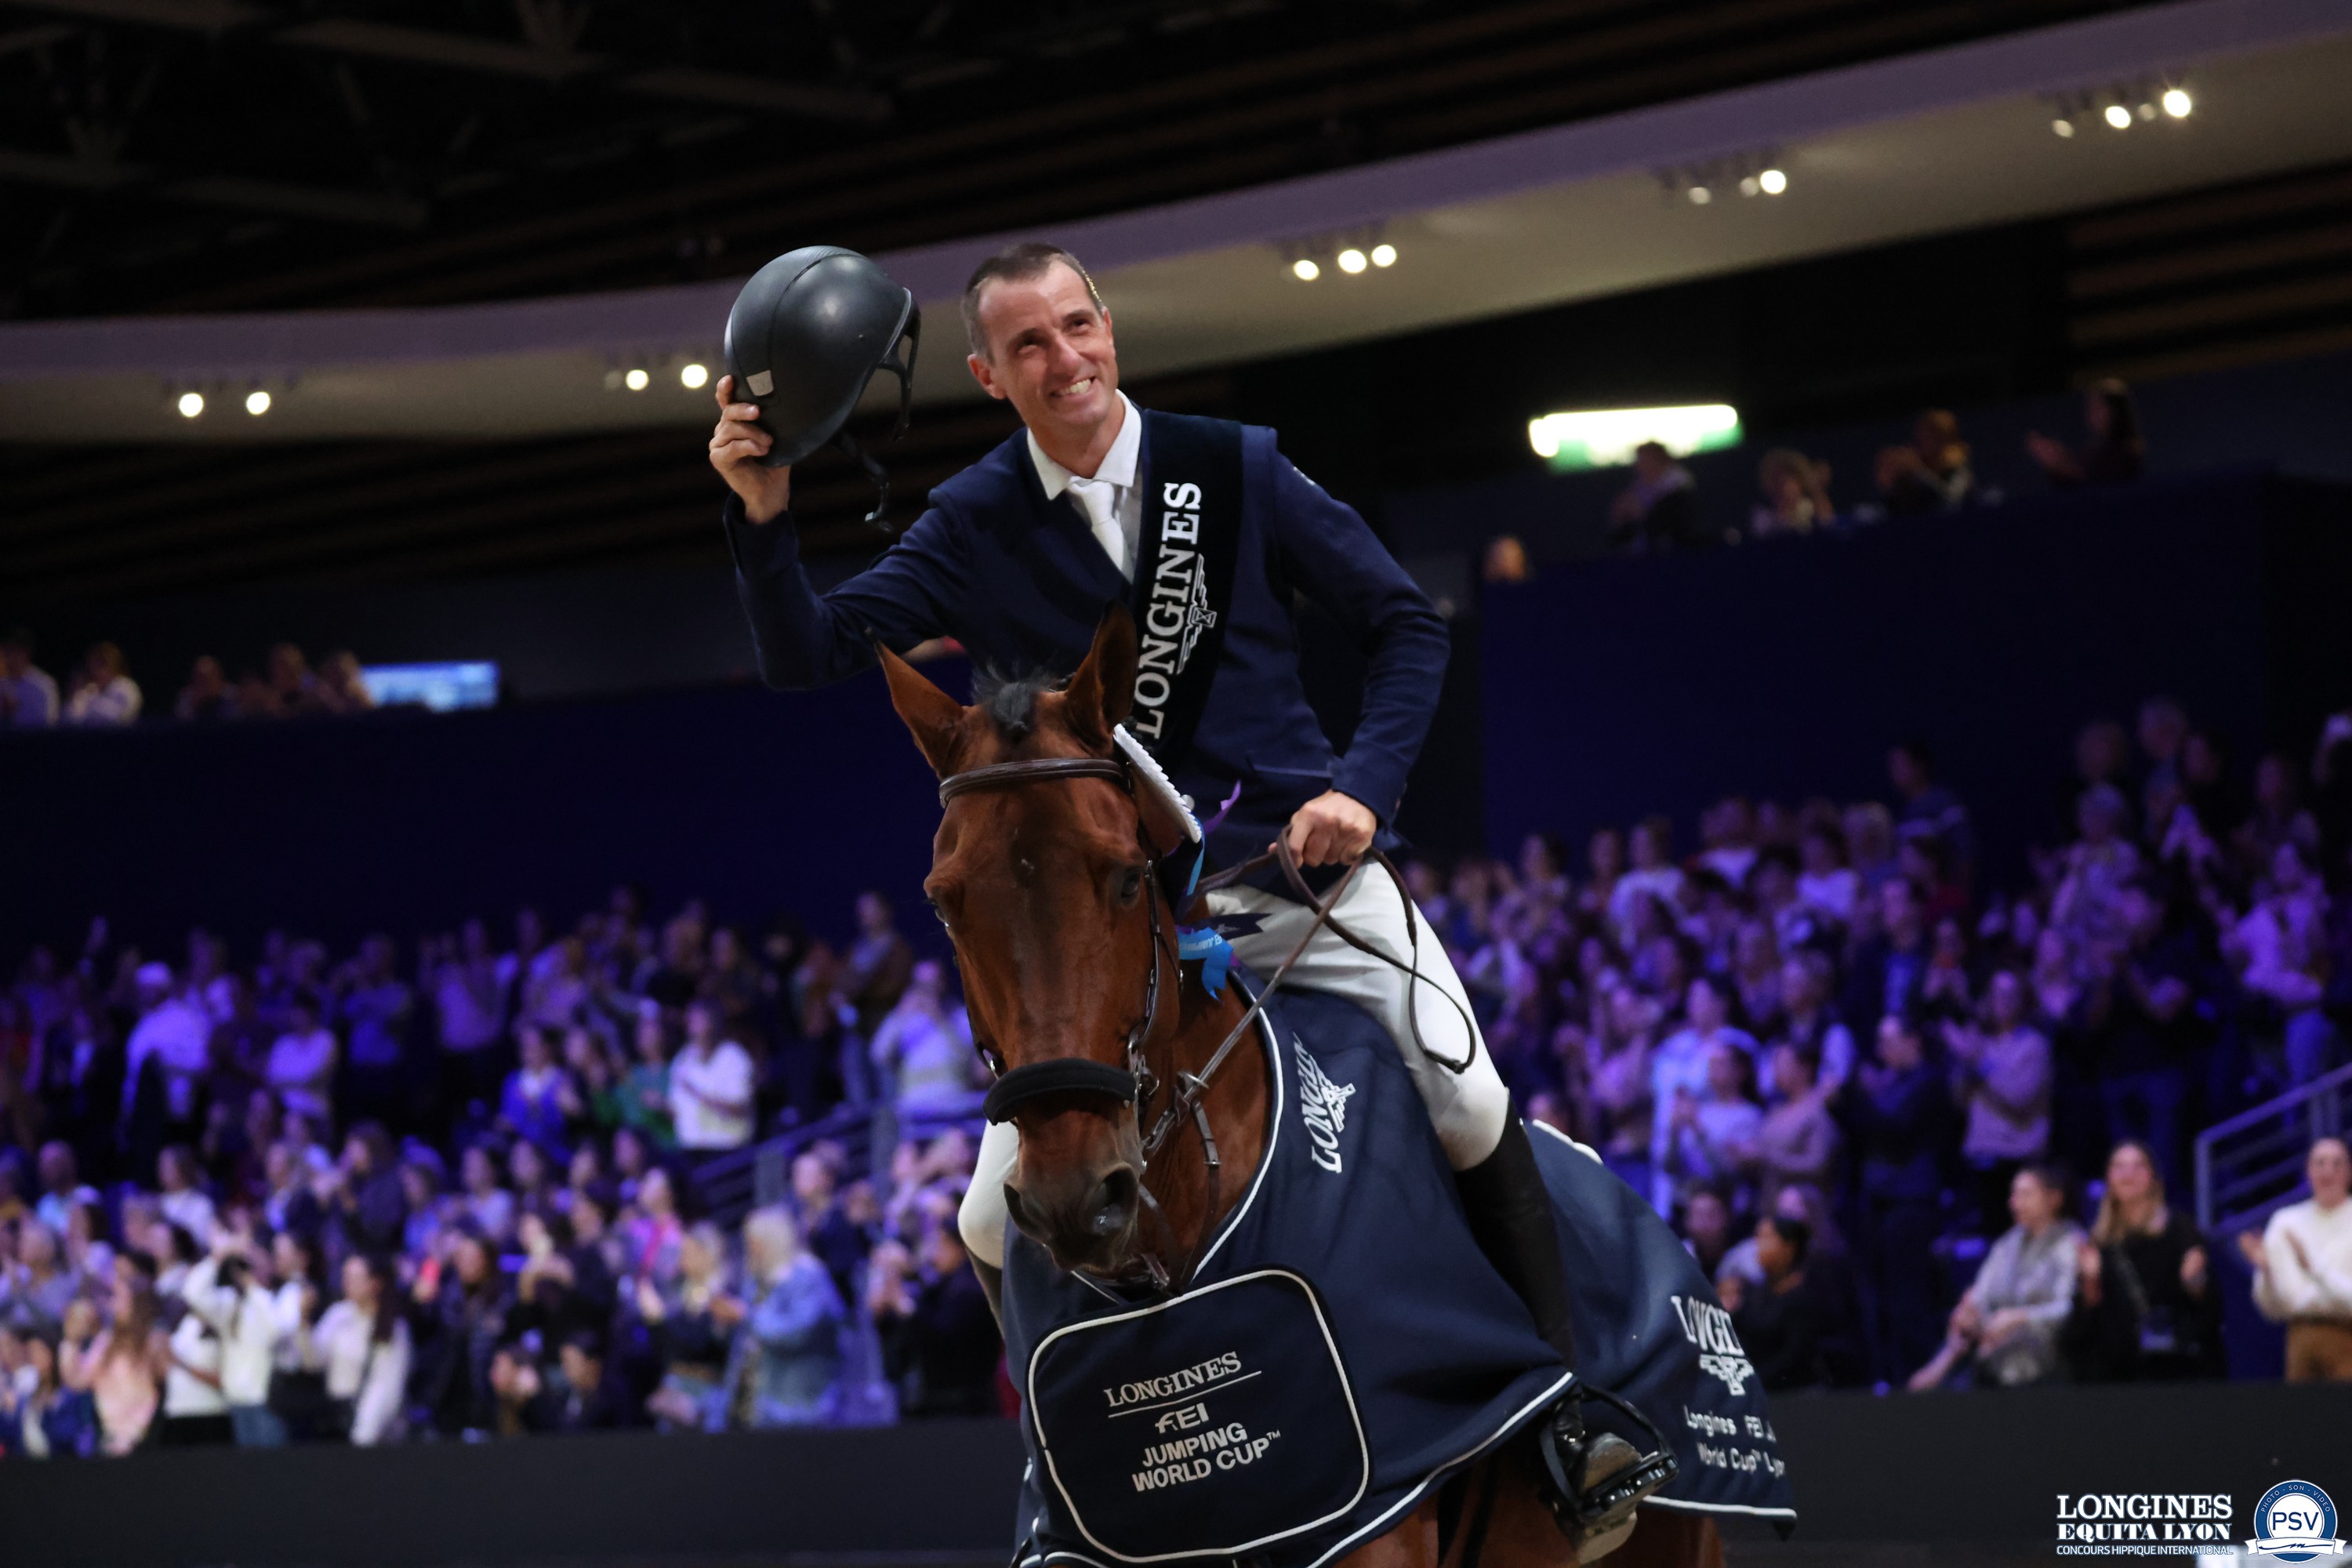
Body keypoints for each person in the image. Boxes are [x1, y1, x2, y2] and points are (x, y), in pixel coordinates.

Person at [714, 241, 1596, 1468]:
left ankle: (1565, 1415)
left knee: (1467, 1098)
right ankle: (1068, 1475)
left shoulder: (1231, 466)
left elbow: (1403, 626)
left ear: (1110, 330)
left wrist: (1361, 788)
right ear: (987, 374)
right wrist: (762, 516)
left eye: (1079, 327)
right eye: (1030, 344)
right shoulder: (972, 521)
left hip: (1290, 871)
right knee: (983, 1215)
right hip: (1103, 916)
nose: (1064, 357)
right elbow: (807, 651)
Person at [1907, 1163, 2081, 1391]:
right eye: (2014, 1194)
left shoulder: (2071, 1242)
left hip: (2049, 1353)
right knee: (1947, 1361)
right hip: (1995, 1345)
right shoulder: (2007, 1243)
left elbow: (2068, 1308)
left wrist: (2019, 1318)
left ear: (2054, 1198)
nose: (2014, 1203)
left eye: (2026, 1194)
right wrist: (1969, 1310)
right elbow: (1982, 1293)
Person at [2066, 1142, 2221, 1381]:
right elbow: (2085, 1323)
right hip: (2118, 1371)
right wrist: (2090, 1281)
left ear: (2153, 1178)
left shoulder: (2181, 1229)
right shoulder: (2098, 1241)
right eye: (2119, 1167)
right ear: (2108, 1178)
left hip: (2174, 1368)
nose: (2128, 1175)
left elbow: (2211, 1308)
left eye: (2138, 1167)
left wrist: (2195, 1281)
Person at [2241, 1137, 2352, 1381]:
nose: (2328, 1172)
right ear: (2308, 1172)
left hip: (2347, 1336)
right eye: (2320, 1163)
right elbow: (2272, 1310)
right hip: (2299, 1338)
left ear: (2349, 1172)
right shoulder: (2285, 1222)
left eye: (2337, 1163)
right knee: (2302, 1417)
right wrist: (2267, 1273)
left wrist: (2313, 1267)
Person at [734, 1207, 843, 1427]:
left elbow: (796, 1334)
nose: (751, 1249)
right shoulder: (756, 1281)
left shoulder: (807, 1275)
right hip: (762, 1401)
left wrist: (748, 1316)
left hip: (803, 1403)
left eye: (755, 1241)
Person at [301, 1254, 410, 1444]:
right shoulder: (338, 1315)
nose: (347, 1283)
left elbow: (386, 1389)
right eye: (345, 1277)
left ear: (375, 1283)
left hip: (370, 1434)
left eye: (355, 1278)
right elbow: (314, 1362)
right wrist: (303, 1323)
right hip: (337, 1421)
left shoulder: (393, 1327)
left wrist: (362, 1438)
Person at [1719, 1215, 1825, 1392]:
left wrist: (1753, 1382)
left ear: (1789, 1247)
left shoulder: (1806, 1296)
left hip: (1792, 1396)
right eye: (1757, 1237)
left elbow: (1793, 1356)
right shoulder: (1754, 1292)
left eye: (1767, 1237)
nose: (1757, 1246)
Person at [669, 997, 756, 1159]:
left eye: (697, 1019)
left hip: (728, 1150)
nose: (691, 1025)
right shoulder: (682, 1059)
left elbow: (740, 1108)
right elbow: (676, 1109)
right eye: (690, 1020)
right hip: (691, 1150)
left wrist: (697, 1094)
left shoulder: (733, 1056)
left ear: (713, 1022)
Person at [2027, 379, 2143, 488]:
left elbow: (2097, 492)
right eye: (2090, 407)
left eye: (2098, 407)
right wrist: (2058, 463)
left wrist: (2059, 464)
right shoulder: (2093, 451)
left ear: (2115, 411)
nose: (2091, 413)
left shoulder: (2126, 451)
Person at [1609, 440, 1703, 551]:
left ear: (1659, 460)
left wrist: (1641, 513)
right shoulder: (1639, 487)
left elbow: (1671, 527)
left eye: (1645, 461)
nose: (1640, 466)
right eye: (1639, 462)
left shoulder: (1680, 487)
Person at [1749, 448, 1835, 539]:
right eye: (1780, 483)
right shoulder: (1762, 515)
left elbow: (1827, 525)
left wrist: (1817, 488)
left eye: (1791, 482)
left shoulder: (1809, 508)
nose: (1785, 488)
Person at [62, 642, 140, 726]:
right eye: (91, 665)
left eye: (100, 664)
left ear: (112, 665)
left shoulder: (126, 687)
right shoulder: (88, 689)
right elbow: (68, 720)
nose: (94, 671)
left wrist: (89, 705)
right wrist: (75, 694)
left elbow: (115, 718)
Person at [1, 628, 60, 727]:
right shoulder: (2, 683)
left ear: (25, 653)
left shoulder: (43, 685)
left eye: (12, 650)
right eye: (5, 651)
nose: (8, 657)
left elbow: (49, 724)